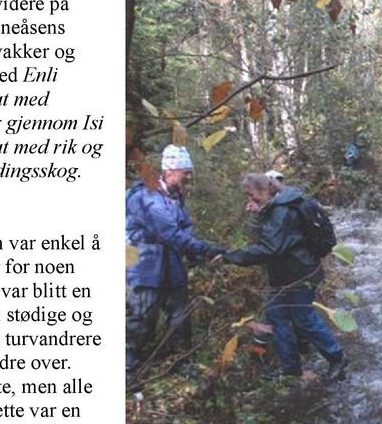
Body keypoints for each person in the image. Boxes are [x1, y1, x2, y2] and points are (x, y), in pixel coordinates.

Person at [221, 174, 346, 382]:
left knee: (303, 319)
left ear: (264, 190)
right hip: (282, 273)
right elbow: (263, 237)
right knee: (275, 315)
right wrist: (256, 215)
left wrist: (230, 256)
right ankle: (290, 368)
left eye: (251, 195)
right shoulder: (273, 206)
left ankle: (337, 358)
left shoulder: (282, 210)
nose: (249, 199)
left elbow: (270, 247)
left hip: (300, 273)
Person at [125, 145, 224, 384]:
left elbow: (184, 226)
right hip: (145, 268)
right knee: (140, 319)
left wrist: (196, 254)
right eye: (185, 172)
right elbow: (169, 233)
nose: (188, 177)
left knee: (180, 317)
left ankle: (183, 362)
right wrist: (206, 248)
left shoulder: (174, 195)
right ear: (170, 170)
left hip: (172, 266)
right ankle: (126, 370)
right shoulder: (146, 196)